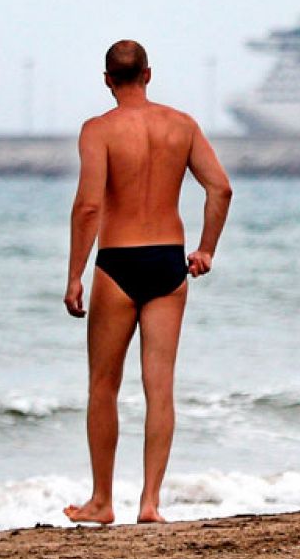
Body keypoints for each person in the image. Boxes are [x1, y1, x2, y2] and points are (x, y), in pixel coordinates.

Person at [63, 39, 233, 525]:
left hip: (117, 261)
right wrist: (205, 250)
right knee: (160, 388)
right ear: (148, 74)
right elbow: (220, 188)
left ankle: (101, 501)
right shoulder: (182, 125)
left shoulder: (98, 130)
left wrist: (75, 274)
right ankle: (150, 502)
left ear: (106, 80)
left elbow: (89, 206)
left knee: (103, 385)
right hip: (168, 261)